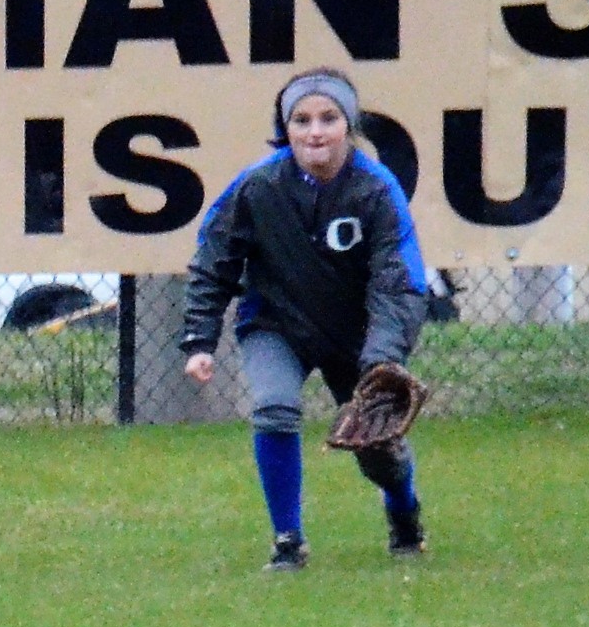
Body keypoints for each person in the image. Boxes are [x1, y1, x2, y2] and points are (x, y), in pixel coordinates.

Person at [178, 66, 433, 571]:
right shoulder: (258, 186)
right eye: (301, 120)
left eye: (328, 118)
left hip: (357, 334)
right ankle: (288, 541)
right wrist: (200, 339)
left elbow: (399, 280)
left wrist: (381, 359)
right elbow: (214, 260)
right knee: (274, 407)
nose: (315, 132)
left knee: (376, 444)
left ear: (349, 125)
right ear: (285, 128)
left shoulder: (376, 189)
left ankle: (403, 510)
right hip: (276, 324)